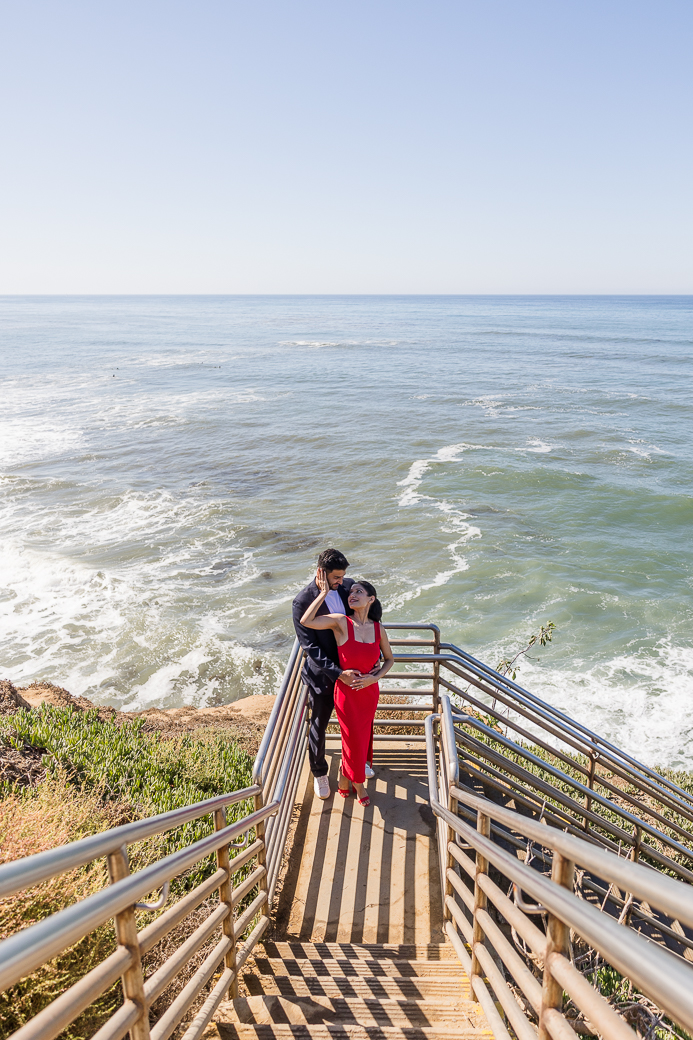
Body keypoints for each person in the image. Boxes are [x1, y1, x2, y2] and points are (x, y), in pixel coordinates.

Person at [300, 572, 394, 806]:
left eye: (358, 592)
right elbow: (306, 621)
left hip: (369, 694)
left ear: (371, 599)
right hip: (346, 693)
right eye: (351, 592)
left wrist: (375, 678)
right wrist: (323, 593)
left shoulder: (378, 628)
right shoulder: (342, 622)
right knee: (351, 740)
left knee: (360, 739)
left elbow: (390, 660)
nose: (352, 595)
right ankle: (358, 784)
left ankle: (344, 777)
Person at [293, 549, 362, 800]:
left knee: (355, 722)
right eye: (336, 577)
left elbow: (366, 617)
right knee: (319, 726)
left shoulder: (349, 588)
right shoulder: (302, 602)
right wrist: (337, 673)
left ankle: (356, 766)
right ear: (321, 573)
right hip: (323, 677)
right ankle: (320, 772)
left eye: (343, 576)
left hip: (352, 672)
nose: (341, 582)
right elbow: (309, 647)